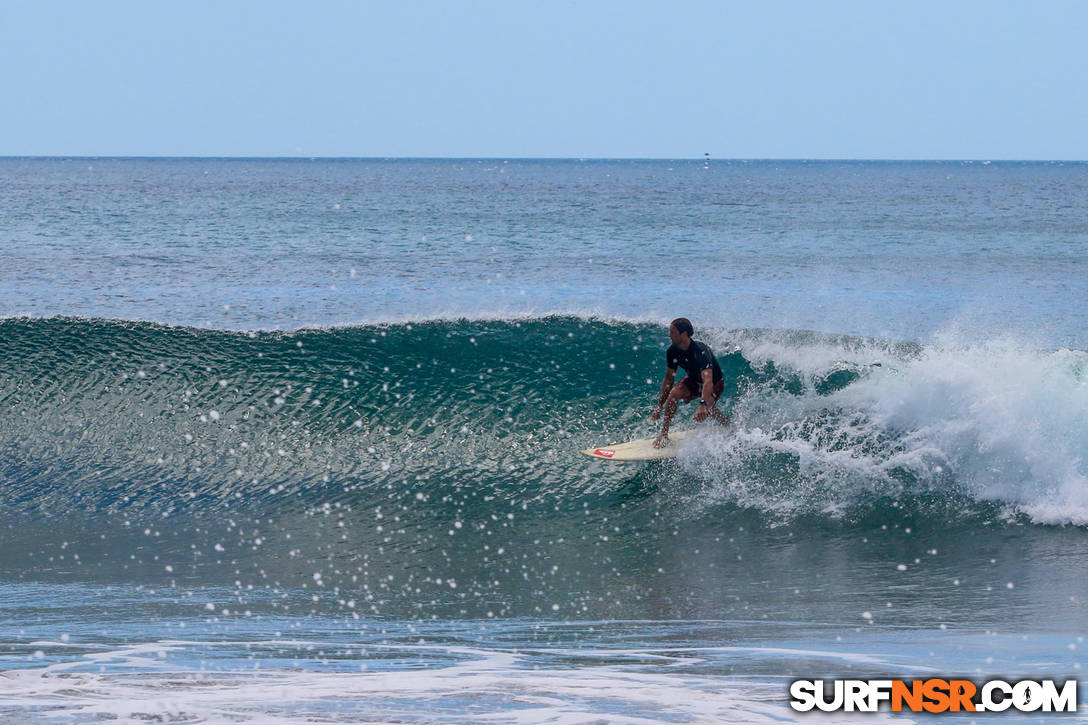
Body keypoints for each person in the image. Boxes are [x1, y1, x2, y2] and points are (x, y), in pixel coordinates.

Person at [651, 317, 728, 447]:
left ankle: (726, 423)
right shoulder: (672, 351)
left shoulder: (701, 351)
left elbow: (708, 381)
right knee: (674, 394)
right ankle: (664, 434)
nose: (669, 335)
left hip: (714, 383)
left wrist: (702, 404)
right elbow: (669, 379)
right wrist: (660, 406)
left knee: (706, 409)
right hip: (693, 380)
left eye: (673, 333)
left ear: (684, 334)